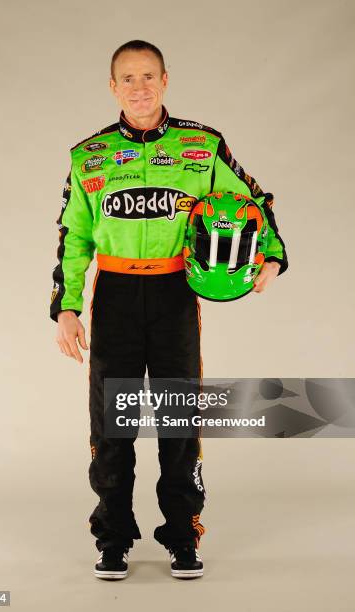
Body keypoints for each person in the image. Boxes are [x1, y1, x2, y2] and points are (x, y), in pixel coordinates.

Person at [49, 40, 288, 580]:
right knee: (113, 424)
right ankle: (112, 539)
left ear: (165, 80)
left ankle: (183, 536)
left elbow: (254, 198)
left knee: (180, 421)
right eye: (128, 79)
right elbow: (73, 238)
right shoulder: (87, 157)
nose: (140, 88)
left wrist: (273, 254)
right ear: (113, 87)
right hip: (112, 298)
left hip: (173, 296)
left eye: (149, 77)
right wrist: (65, 309)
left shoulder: (202, 147)